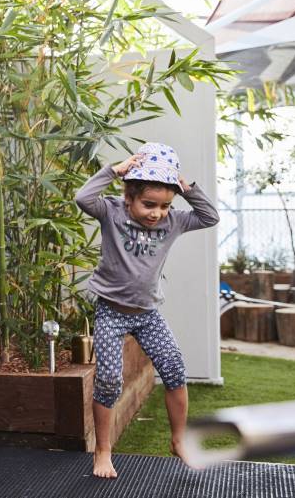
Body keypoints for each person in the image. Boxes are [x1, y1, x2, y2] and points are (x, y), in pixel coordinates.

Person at [74, 142, 219, 479]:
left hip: (147, 314)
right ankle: (104, 450)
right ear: (130, 197)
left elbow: (210, 216)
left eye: (165, 206)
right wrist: (114, 170)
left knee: (174, 368)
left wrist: (186, 186)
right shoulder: (112, 211)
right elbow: (83, 199)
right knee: (108, 380)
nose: (157, 213)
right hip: (111, 312)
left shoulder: (175, 222)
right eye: (148, 204)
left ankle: (179, 439)